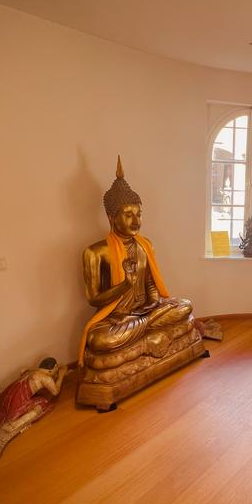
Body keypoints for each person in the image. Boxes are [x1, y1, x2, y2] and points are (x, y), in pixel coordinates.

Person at [78, 157, 194, 366]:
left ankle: (144, 335)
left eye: (139, 214)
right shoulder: (95, 252)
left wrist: (152, 304)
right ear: (111, 217)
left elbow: (150, 282)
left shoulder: (145, 245)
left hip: (145, 311)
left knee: (184, 306)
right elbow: (93, 299)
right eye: (128, 215)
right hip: (116, 318)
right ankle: (151, 336)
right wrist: (125, 286)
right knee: (99, 340)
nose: (136, 221)